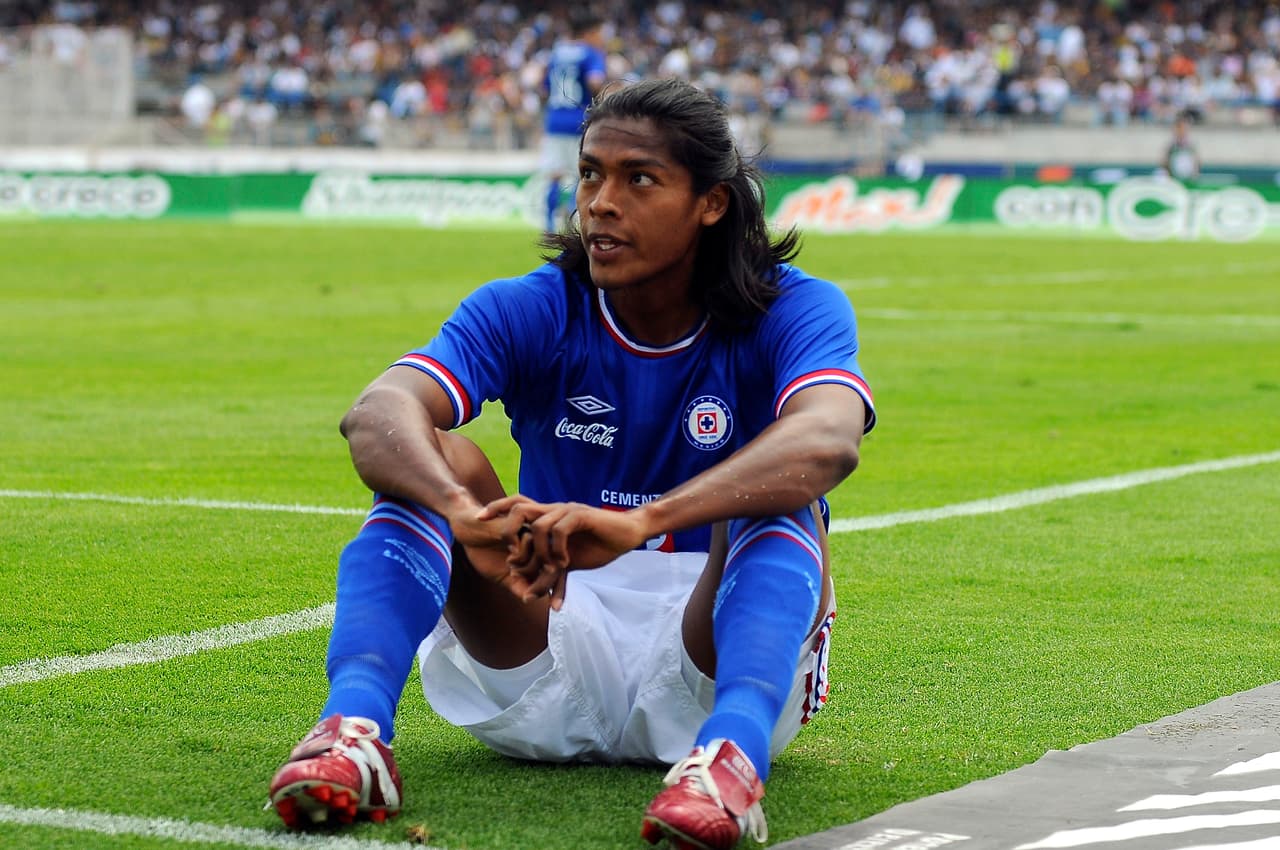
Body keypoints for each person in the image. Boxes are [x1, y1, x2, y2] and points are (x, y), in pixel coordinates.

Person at [267, 77, 876, 850]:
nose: (600, 202)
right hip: (545, 642)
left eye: (639, 178)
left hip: (716, 654)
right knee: (434, 459)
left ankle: (730, 761)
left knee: (783, 488)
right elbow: (378, 413)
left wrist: (640, 523)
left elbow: (828, 441)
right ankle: (352, 733)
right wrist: (464, 517)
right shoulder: (532, 304)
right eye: (591, 173)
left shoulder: (794, 306)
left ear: (712, 202)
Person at [538, 11, 607, 232]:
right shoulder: (591, 54)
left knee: (555, 175)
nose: (602, 38)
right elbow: (594, 81)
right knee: (581, 174)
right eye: (600, 33)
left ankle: (548, 225)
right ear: (589, 33)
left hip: (554, 121)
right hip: (579, 122)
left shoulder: (557, 54)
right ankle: (570, 222)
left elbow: (544, 88)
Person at [1163, 111, 1200, 182]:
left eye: (1184, 128)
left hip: (1188, 181)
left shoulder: (1191, 146)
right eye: (1179, 128)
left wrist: (1194, 175)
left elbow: (1196, 165)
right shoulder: (1171, 147)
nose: (1182, 131)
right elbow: (1165, 164)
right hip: (1174, 182)